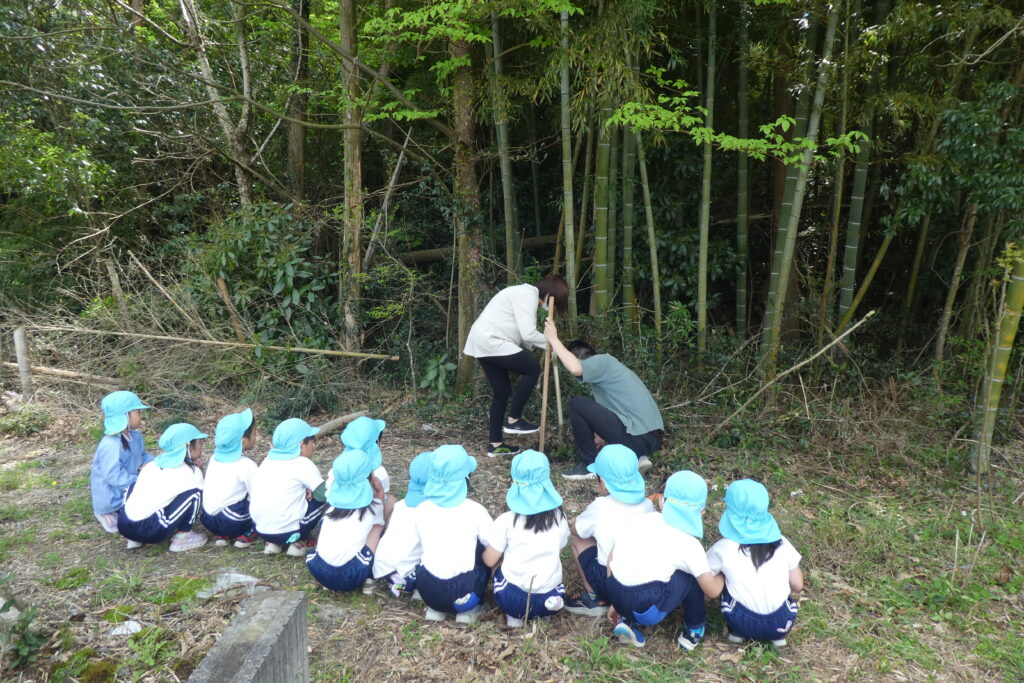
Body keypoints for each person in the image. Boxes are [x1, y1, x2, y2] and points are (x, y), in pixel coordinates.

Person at [604, 471, 724, 650]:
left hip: (614, 592)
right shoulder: (690, 544)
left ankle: (627, 621)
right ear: (702, 512)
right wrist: (722, 574)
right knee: (692, 575)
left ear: (661, 502)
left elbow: (611, 558)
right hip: (648, 608)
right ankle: (694, 629)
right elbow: (712, 591)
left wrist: (616, 600)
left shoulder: (639, 520)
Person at [464, 274, 569, 458]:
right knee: (532, 369)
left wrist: (549, 345)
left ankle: (495, 444)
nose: (551, 308)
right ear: (549, 295)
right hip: (492, 340)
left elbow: (522, 334)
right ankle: (514, 419)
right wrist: (554, 343)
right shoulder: (528, 294)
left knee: (502, 391)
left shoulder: (523, 293)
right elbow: (528, 333)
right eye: (555, 303)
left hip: (483, 341)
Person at [543, 319, 664, 479]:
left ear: (581, 357)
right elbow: (614, 415)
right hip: (650, 439)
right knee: (603, 438)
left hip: (639, 438)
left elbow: (575, 368)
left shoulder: (602, 361)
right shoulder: (609, 376)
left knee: (577, 403)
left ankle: (589, 465)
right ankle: (636, 458)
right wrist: (600, 436)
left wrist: (553, 339)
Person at [707, 479, 803, 647]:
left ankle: (737, 634)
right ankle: (778, 638)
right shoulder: (782, 543)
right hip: (782, 621)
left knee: (723, 573)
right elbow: (798, 585)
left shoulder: (723, 547)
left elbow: (705, 576)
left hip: (740, 620)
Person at [563, 445, 654, 616]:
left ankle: (594, 598)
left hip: (610, 582)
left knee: (578, 541)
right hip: (643, 581)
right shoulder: (647, 504)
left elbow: (576, 530)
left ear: (603, 483)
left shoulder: (600, 506)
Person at [483, 449, 569, 627]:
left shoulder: (507, 520)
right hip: (550, 597)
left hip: (514, 599)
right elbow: (559, 550)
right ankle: (543, 616)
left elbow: (490, 561)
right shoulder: (560, 518)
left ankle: (514, 619)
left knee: (498, 562)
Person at [413, 445, 493, 624]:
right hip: (464, 592)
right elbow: (493, 544)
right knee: (484, 549)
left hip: (427, 589)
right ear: (465, 478)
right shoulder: (475, 510)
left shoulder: (422, 509)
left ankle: (436, 609)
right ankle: (470, 609)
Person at [117, 423, 207, 552]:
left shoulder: (151, 465)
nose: (201, 446)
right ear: (187, 446)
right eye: (199, 443)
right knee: (196, 493)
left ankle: (134, 539)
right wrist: (200, 470)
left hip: (124, 525)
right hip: (151, 531)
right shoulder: (192, 472)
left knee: (134, 486)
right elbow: (204, 489)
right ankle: (184, 536)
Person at [306, 449, 386, 593]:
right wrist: (380, 494)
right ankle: (369, 578)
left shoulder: (331, 505)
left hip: (318, 568)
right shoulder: (372, 507)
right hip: (350, 575)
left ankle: (328, 583)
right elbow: (380, 522)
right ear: (369, 478)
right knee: (377, 528)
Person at [250, 418, 326, 557]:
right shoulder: (302, 463)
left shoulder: (268, 461)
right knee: (323, 501)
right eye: (312, 442)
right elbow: (324, 494)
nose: (313, 447)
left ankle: (273, 544)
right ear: (302, 443)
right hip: (291, 532)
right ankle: (300, 542)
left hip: (261, 530)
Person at [91, 391, 153, 533]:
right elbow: (114, 477)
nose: (141, 416)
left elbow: (142, 456)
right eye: (138, 412)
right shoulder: (110, 444)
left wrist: (156, 465)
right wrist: (140, 481)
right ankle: (106, 513)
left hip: (129, 487)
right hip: (112, 498)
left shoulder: (135, 436)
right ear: (125, 415)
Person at [372, 451, 432, 599]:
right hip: (405, 575)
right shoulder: (431, 512)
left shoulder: (400, 505)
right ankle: (416, 588)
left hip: (381, 569)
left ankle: (395, 582)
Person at [201, 408, 259, 549]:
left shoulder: (214, 459)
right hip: (232, 520)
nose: (255, 436)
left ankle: (222, 536)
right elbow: (259, 495)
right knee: (258, 498)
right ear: (243, 441)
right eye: (254, 433)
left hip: (208, 519)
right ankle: (249, 533)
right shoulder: (247, 465)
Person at [338, 416, 394, 523]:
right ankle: (381, 529)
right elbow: (380, 498)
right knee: (391, 500)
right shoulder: (379, 472)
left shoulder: (339, 467)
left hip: (337, 516)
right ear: (377, 443)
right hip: (366, 521)